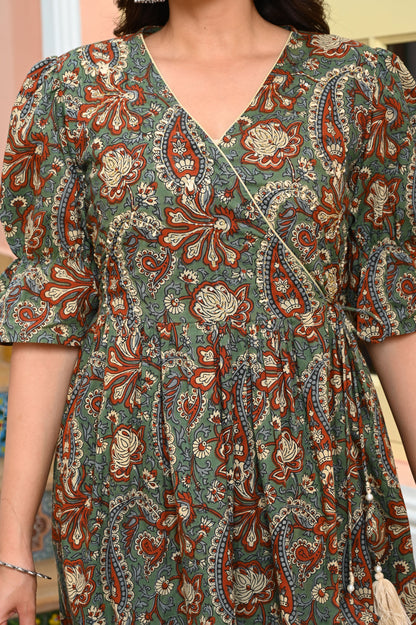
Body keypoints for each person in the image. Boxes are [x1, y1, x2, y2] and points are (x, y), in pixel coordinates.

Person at [0, 0, 415, 623]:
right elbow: (47, 320)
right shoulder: (73, 91)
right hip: (133, 470)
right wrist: (11, 551)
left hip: (310, 463)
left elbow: (394, 303)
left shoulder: (360, 85)